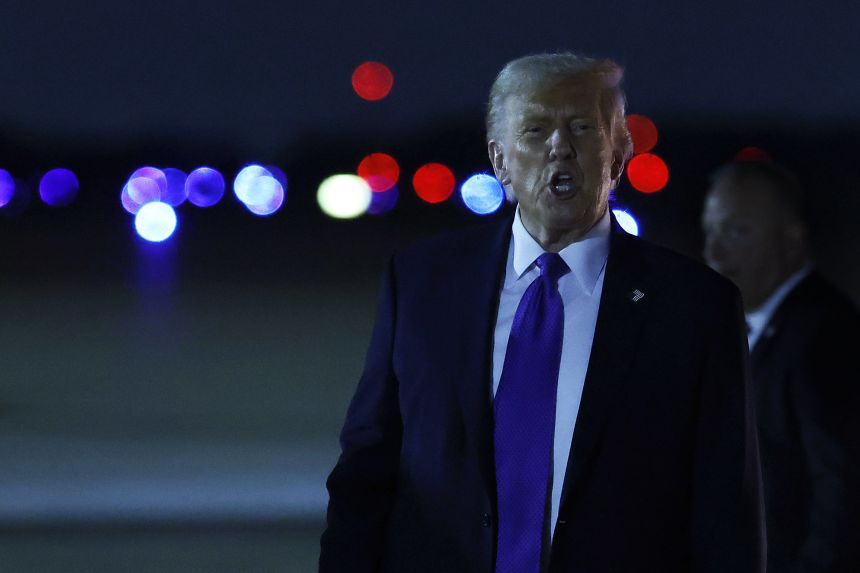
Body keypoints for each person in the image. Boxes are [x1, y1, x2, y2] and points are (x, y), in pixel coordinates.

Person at [321, 53, 765, 573]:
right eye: (535, 131)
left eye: (582, 127)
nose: (560, 147)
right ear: (500, 160)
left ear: (618, 155)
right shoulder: (422, 284)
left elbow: (725, 514)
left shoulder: (693, 307)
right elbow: (366, 473)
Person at [702, 160, 860, 573]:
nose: (714, 251)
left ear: (791, 238)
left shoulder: (825, 336)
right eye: (711, 231)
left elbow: (841, 495)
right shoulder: (756, 328)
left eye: (737, 231)